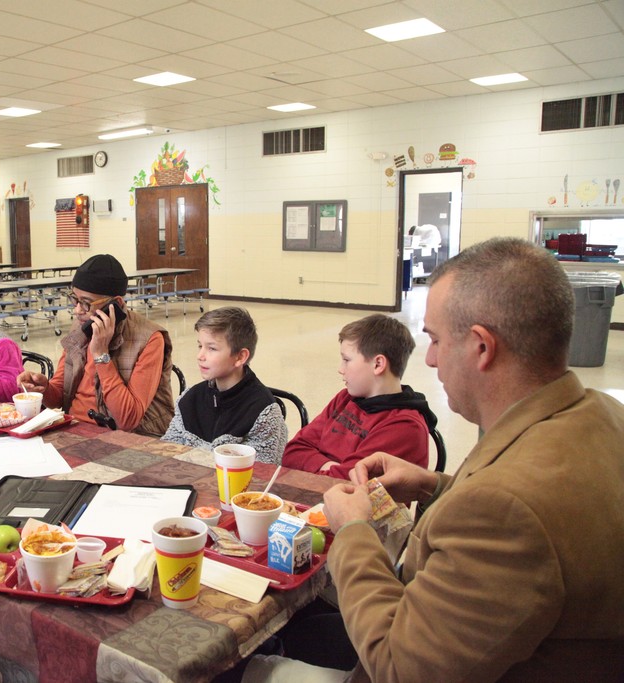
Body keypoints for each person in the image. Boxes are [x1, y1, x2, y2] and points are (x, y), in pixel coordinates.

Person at [312, 238, 624, 681]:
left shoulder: (504, 512)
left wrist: (355, 531)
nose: (432, 359)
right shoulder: (602, 414)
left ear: (481, 346)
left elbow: (400, 668)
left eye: (436, 340)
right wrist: (433, 484)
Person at [17, 254, 174, 436]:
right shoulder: (82, 326)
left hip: (130, 437)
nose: (77, 310)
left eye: (86, 303)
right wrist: (44, 389)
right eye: (75, 300)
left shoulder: (149, 339)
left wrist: (101, 355)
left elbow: (128, 420)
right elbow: (61, 396)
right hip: (74, 428)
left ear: (116, 304)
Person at [281, 313, 436, 480]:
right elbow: (292, 451)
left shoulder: (404, 426)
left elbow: (348, 483)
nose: (341, 369)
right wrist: (331, 467)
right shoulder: (345, 398)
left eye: (347, 360)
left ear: (378, 364)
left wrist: (320, 464)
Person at [161, 307, 286, 464]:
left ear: (240, 357)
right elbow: (166, 452)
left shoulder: (263, 411)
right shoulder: (190, 398)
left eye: (212, 348)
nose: (200, 356)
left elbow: (262, 472)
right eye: (200, 346)